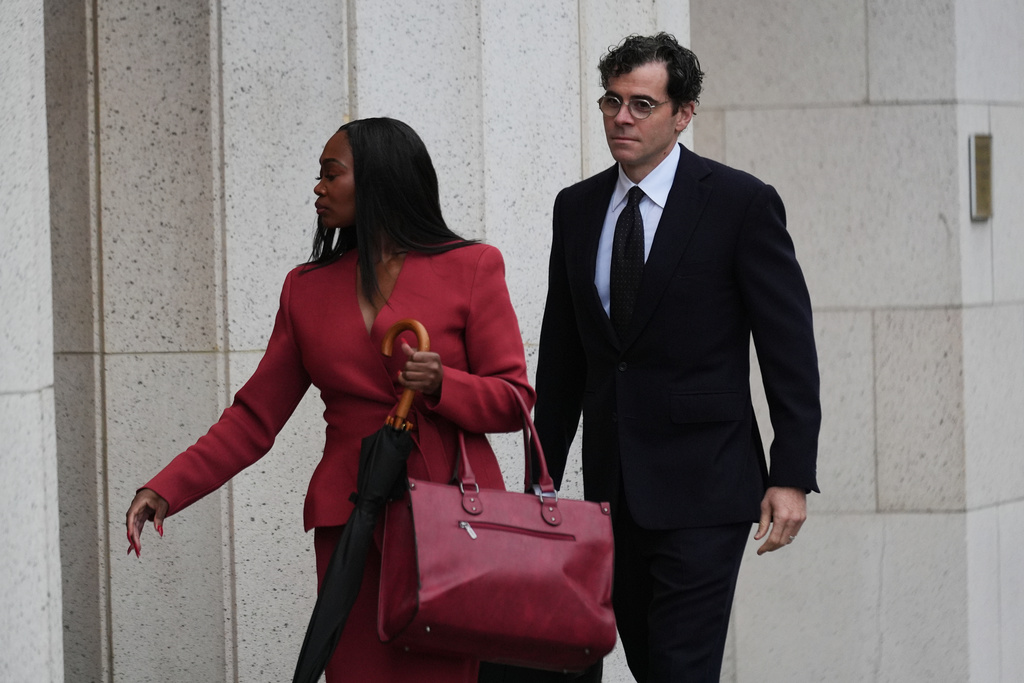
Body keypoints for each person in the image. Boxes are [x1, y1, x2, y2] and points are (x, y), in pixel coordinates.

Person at [125, 117, 535, 682]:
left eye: (330, 174)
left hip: (453, 525)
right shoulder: (306, 288)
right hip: (351, 523)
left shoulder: (471, 268)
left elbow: (515, 401)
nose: (317, 188)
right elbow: (252, 418)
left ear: (378, 181)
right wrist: (166, 488)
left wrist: (445, 385)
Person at [533, 34, 821, 682]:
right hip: (612, 487)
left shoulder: (739, 203)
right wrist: (538, 480)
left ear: (683, 113)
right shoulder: (576, 208)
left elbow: (789, 349)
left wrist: (792, 472)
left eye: (641, 104)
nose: (621, 118)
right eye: (611, 101)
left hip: (707, 484)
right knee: (641, 652)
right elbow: (563, 360)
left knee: (678, 666)